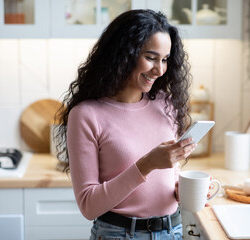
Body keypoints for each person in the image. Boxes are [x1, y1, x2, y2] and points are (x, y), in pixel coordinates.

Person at [56, 9, 195, 240]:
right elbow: (88, 206)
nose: (159, 70)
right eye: (150, 57)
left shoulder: (165, 104)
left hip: (173, 230)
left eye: (165, 59)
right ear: (123, 54)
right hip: (118, 234)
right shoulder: (86, 115)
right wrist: (147, 164)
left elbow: (168, 176)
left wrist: (182, 189)